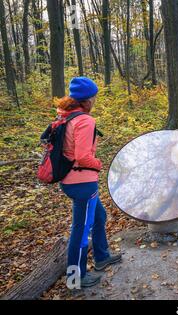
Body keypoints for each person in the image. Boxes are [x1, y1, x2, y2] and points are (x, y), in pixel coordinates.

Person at [57, 77, 121, 288]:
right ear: (88, 99)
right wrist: (99, 163)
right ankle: (76, 278)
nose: (95, 100)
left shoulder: (66, 116)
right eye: (94, 97)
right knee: (81, 230)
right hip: (82, 183)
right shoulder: (85, 120)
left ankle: (102, 257)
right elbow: (83, 156)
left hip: (70, 180)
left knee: (99, 216)